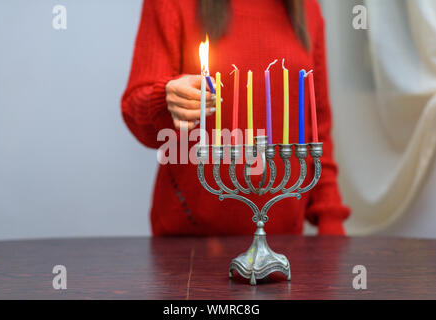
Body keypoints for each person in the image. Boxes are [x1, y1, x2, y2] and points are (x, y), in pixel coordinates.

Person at [121, 0, 350, 236]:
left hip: (282, 243)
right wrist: (165, 99)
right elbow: (134, 111)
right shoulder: (170, 4)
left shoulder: (307, 8)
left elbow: (317, 127)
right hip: (188, 243)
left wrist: (329, 217)